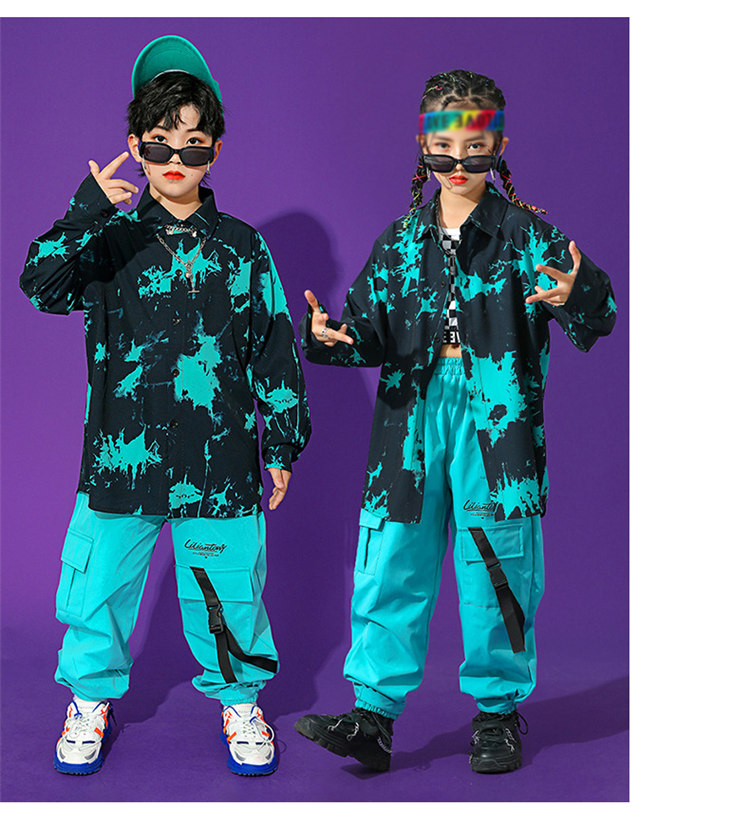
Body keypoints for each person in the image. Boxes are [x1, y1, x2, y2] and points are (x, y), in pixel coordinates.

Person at [294, 69, 616, 774]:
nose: (459, 163)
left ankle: (497, 713)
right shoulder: (399, 241)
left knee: (496, 561)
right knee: (392, 557)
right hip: (408, 415)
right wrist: (332, 338)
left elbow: (601, 314)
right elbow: (367, 333)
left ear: (499, 146)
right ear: (423, 147)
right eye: (443, 149)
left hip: (495, 418)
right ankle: (373, 717)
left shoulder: (526, 234)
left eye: (475, 148)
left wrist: (577, 292)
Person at [19, 35, 310, 777]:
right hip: (122, 456)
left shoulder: (243, 249)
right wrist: (85, 210)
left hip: (221, 461)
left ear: (216, 149)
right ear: (135, 147)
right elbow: (39, 286)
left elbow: (275, 346)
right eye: (158, 141)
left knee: (228, 592)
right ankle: (89, 698)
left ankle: (240, 700)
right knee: (101, 589)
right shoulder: (107, 241)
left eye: (194, 142)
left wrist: (281, 443)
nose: (175, 156)